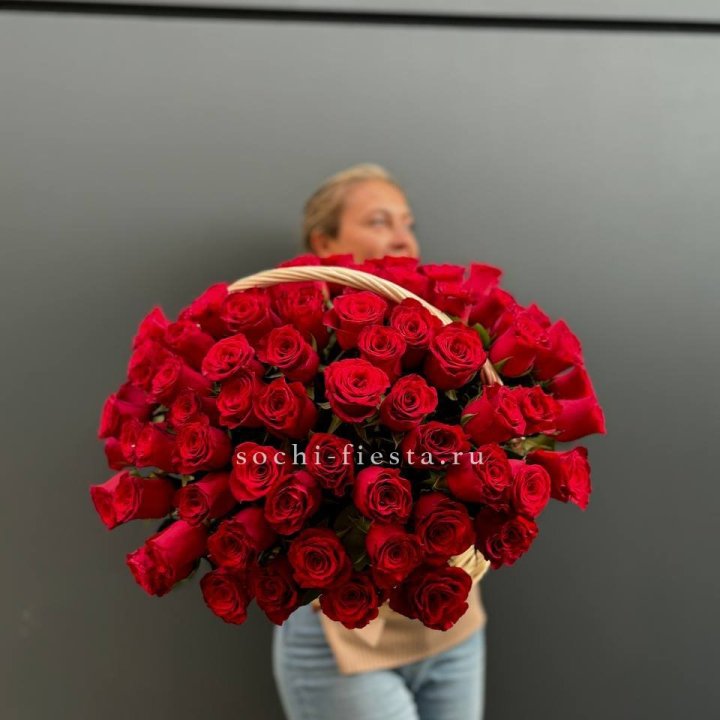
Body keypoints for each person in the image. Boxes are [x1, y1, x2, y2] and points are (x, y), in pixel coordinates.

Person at [272, 164, 490, 720]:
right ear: (325, 243)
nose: (402, 238)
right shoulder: (291, 352)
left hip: (451, 626)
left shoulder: (441, 332)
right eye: (378, 221)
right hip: (343, 640)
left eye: (407, 224)